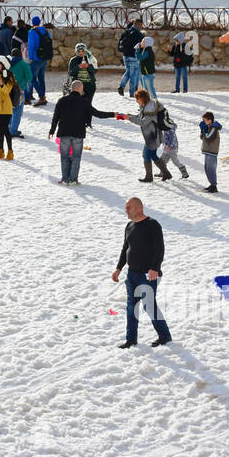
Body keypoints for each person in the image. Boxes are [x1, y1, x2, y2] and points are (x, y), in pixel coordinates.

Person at [112, 197, 172, 348]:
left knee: (149, 306)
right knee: (131, 307)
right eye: (126, 207)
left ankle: (165, 336)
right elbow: (125, 248)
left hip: (148, 274)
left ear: (139, 208)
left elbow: (160, 248)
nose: (126, 210)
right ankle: (131, 340)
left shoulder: (152, 224)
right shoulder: (129, 226)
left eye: (129, 207)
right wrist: (119, 268)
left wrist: (155, 268)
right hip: (132, 274)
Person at [48, 80, 114, 185]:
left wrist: (52, 131)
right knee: (76, 157)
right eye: (82, 87)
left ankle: (65, 179)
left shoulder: (62, 100)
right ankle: (73, 179)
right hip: (78, 133)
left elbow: (55, 117)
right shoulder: (84, 102)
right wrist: (113, 114)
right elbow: (98, 114)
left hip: (64, 132)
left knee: (64, 157)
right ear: (80, 89)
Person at [117, 89, 173, 182]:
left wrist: (129, 118)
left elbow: (143, 122)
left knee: (146, 155)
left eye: (137, 99)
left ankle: (149, 177)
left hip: (153, 137)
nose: (136, 101)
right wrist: (127, 116)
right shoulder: (147, 106)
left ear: (142, 98)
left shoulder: (150, 109)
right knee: (153, 155)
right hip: (152, 136)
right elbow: (139, 117)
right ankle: (166, 174)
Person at [0, 57, 19, 160]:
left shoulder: (9, 77)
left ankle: (10, 152)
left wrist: (1, 83)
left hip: (6, 107)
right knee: (0, 130)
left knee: (5, 129)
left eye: (0, 64)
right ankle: (0, 151)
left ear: (4, 65)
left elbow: (7, 91)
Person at [27, 17, 53, 106]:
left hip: (36, 58)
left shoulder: (32, 32)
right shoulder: (46, 31)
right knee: (41, 78)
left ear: (32, 23)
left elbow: (31, 45)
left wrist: (30, 57)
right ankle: (43, 97)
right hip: (45, 58)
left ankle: (42, 97)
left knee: (32, 78)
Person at [8, 45, 32, 138]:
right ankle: (13, 131)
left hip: (9, 90)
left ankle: (9, 127)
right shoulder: (24, 64)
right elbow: (29, 77)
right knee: (18, 111)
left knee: (10, 109)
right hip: (19, 90)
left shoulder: (7, 64)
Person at [116, 20, 144, 95]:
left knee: (128, 72)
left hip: (125, 56)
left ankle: (121, 86)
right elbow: (141, 46)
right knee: (133, 75)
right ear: (139, 25)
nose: (142, 27)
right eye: (141, 25)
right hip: (134, 57)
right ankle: (133, 93)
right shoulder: (138, 33)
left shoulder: (127, 31)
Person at [199, 112, 222, 193]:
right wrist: (202, 130)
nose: (203, 121)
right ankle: (211, 184)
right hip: (207, 151)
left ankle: (214, 185)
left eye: (204, 120)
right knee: (207, 168)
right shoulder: (208, 127)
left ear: (210, 120)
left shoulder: (214, 128)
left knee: (211, 169)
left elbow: (209, 138)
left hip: (212, 151)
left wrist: (205, 131)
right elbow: (202, 138)